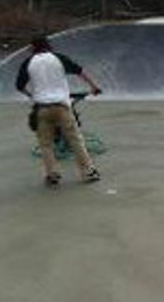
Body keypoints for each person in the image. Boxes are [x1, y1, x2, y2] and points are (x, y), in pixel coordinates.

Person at [16, 35, 103, 188]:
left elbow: (19, 86)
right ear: (47, 45)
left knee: (46, 144)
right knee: (75, 139)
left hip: (42, 109)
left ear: (32, 47)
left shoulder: (28, 62)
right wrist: (94, 87)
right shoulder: (58, 58)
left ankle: (52, 175)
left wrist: (33, 96)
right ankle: (89, 171)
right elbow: (80, 71)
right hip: (62, 107)